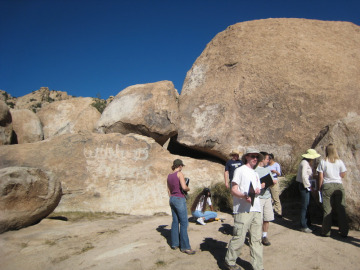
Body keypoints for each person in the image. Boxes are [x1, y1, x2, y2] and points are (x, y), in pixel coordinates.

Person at [225, 148, 263, 270]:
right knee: (239, 237)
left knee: (257, 240)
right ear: (246, 157)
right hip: (242, 210)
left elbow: (256, 190)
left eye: (257, 157)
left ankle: (258, 266)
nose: (255, 159)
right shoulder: (239, 170)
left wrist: (257, 191)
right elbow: (233, 189)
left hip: (256, 209)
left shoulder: (256, 173)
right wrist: (244, 195)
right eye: (253, 156)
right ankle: (230, 262)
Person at [316, 144, 348, 237]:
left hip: (327, 185)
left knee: (327, 209)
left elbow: (320, 176)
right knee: (341, 209)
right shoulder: (339, 162)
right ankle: (344, 231)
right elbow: (343, 174)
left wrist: (319, 187)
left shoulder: (323, 161)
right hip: (338, 185)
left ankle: (326, 231)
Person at [167, 159, 196, 255]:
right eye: (181, 166)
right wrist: (188, 188)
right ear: (179, 166)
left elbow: (169, 191)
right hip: (179, 199)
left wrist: (173, 197)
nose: (182, 167)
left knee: (175, 221)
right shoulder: (179, 174)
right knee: (184, 223)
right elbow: (184, 187)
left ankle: (175, 244)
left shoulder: (169, 176)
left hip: (172, 199)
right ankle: (185, 247)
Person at [295, 149, 321, 233]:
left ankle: (308, 224)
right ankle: (303, 225)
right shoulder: (305, 163)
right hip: (304, 186)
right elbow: (304, 176)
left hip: (306, 186)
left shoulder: (306, 163)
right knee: (305, 206)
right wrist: (309, 186)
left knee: (307, 205)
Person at [255, 152, 275, 246]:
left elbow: (271, 180)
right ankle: (256, 237)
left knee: (267, 218)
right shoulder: (255, 170)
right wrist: (260, 185)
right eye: (267, 158)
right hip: (259, 197)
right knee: (258, 218)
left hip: (267, 196)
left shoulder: (267, 169)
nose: (269, 160)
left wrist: (270, 182)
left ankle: (264, 236)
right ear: (262, 159)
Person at [268, 153, 282, 218]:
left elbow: (279, 174)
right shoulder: (266, 165)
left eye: (269, 159)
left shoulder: (276, 165)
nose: (268, 160)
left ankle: (278, 212)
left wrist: (275, 171)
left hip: (274, 182)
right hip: (268, 182)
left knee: (275, 198)